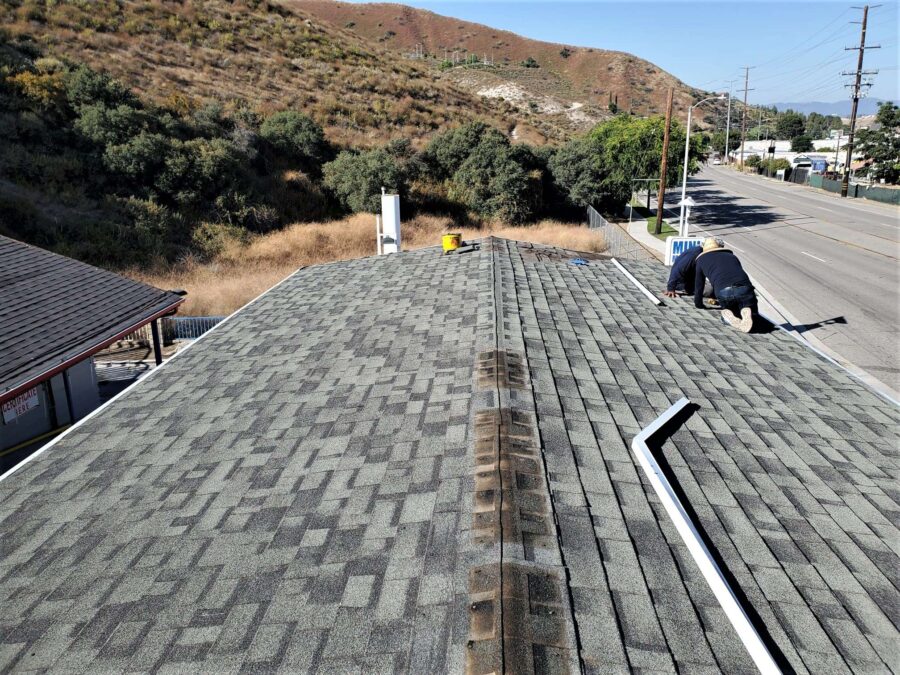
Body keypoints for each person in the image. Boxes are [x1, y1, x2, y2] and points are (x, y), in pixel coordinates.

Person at [693, 237, 758, 332]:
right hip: (745, 289)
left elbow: (699, 285)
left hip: (723, 292)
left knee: (729, 311)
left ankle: (729, 317)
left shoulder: (701, 260)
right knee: (748, 306)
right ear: (720, 246)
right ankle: (747, 309)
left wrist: (698, 304)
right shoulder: (732, 256)